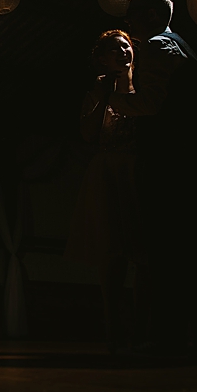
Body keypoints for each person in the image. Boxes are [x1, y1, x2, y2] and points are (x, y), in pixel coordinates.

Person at [107, 0, 197, 355]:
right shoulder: (181, 46)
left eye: (132, 14)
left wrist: (114, 99)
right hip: (188, 156)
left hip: (168, 158)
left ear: (151, 15)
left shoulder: (156, 46)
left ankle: (169, 338)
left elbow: (150, 104)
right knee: (188, 247)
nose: (128, 24)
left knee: (168, 249)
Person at [65, 29, 138, 354]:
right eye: (114, 48)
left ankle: (146, 327)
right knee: (111, 250)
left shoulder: (147, 87)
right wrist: (103, 95)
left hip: (141, 170)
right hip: (110, 170)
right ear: (102, 58)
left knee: (145, 249)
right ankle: (114, 327)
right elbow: (88, 134)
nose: (123, 51)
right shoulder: (98, 90)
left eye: (126, 46)